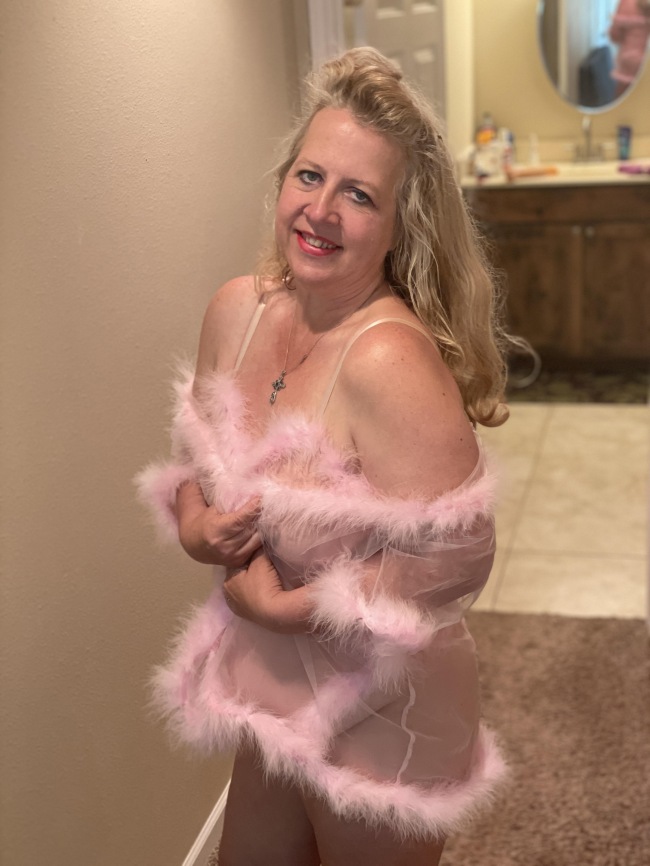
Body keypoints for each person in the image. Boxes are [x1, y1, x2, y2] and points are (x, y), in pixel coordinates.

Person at [137, 47, 509, 866]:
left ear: (399, 226)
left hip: (383, 699)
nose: (322, 210)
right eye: (310, 176)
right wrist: (197, 527)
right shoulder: (235, 311)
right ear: (283, 182)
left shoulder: (388, 361)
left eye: (360, 194)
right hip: (273, 684)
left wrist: (287, 609)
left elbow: (457, 557)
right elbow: (195, 456)